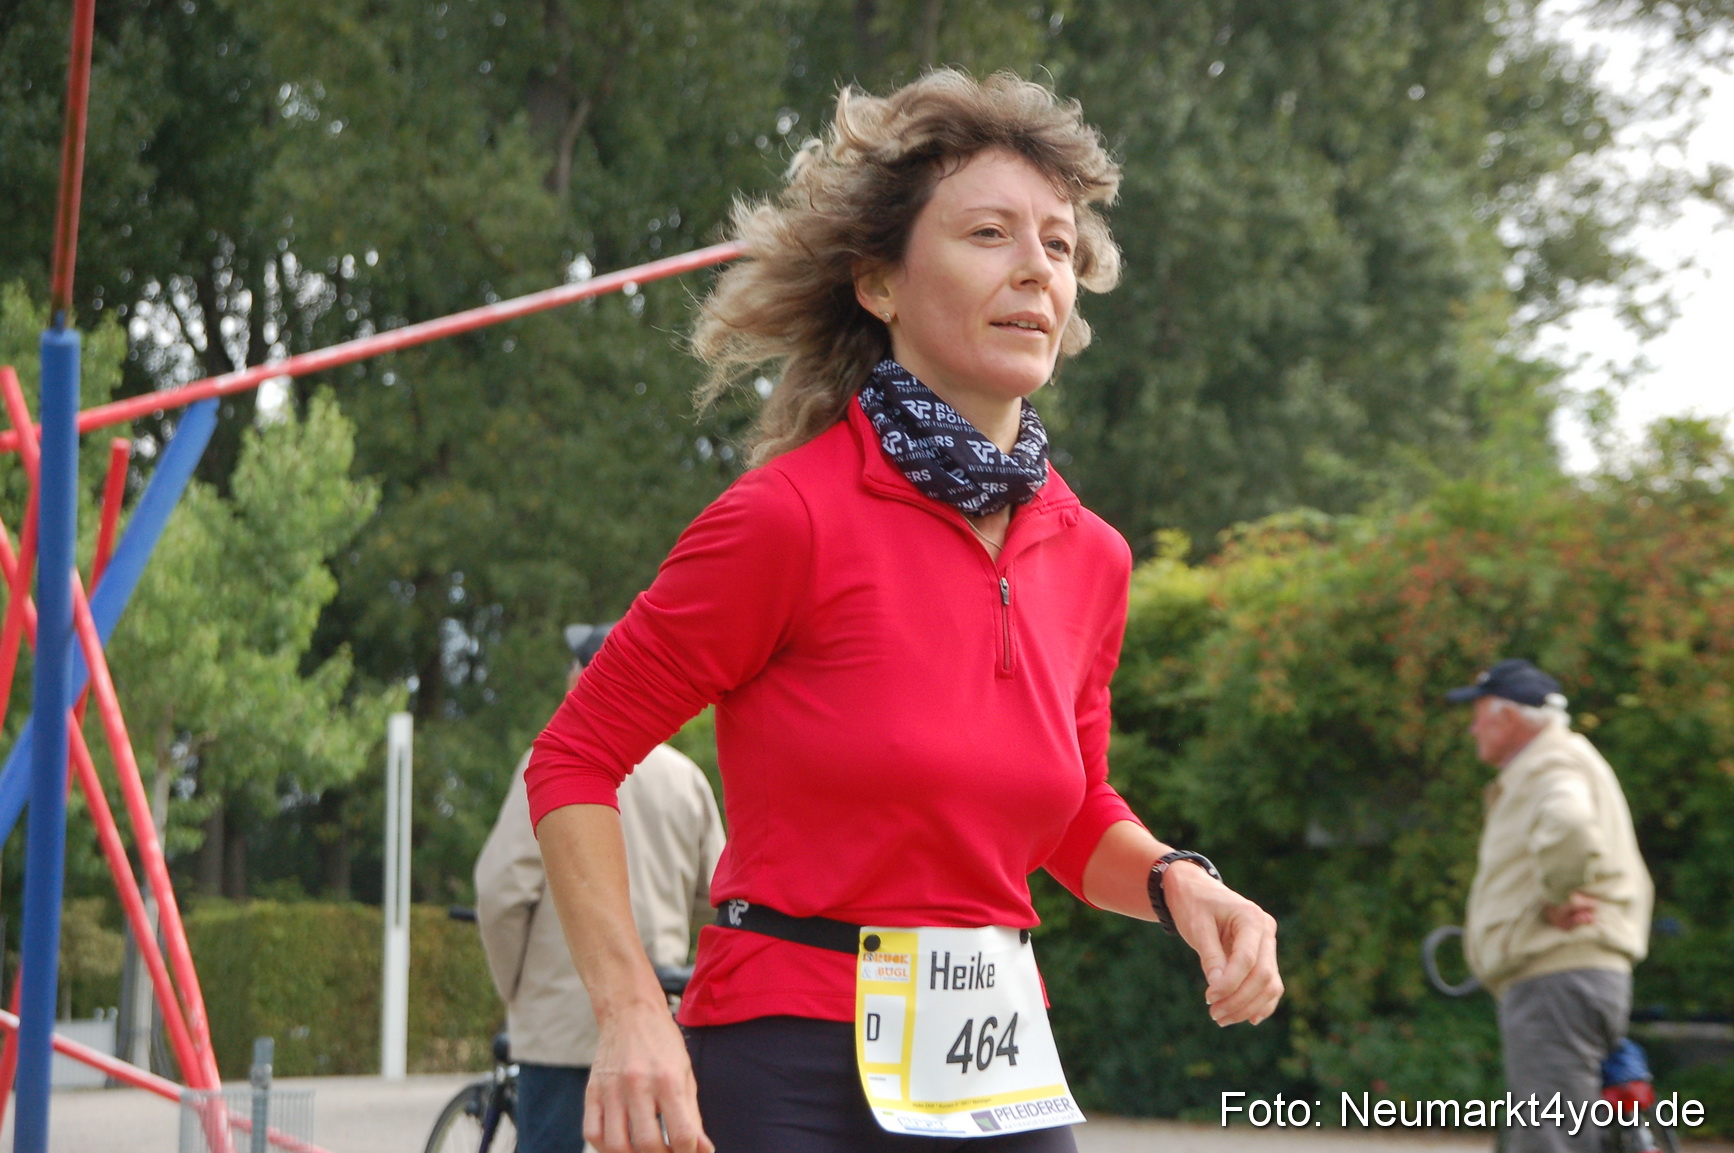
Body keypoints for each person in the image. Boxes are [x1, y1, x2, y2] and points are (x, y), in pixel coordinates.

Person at [527, 71, 1284, 1153]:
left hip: (1001, 1052)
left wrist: (1174, 881)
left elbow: (1066, 816)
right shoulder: (785, 518)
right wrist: (632, 1007)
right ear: (878, 282)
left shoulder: (1094, 556)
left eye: (1060, 246)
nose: (1036, 269)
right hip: (785, 1058)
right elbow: (574, 759)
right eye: (989, 233)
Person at [475, 623, 724, 1153]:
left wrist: (514, 987)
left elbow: (500, 891)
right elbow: (718, 897)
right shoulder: (687, 779)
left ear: (580, 682)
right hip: (657, 1016)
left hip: (562, 1021)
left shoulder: (545, 767)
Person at [1447, 658, 1654, 1153]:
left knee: (1550, 1139)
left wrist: (1560, 896)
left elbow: (1570, 827)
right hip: (1570, 980)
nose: (1473, 727)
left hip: (1554, 981)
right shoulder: (1561, 760)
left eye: (1479, 714)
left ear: (1509, 717)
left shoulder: (1548, 764)